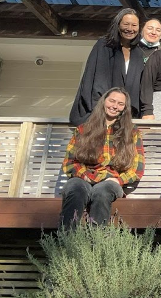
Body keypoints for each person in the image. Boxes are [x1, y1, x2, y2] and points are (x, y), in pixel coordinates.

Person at [60, 88, 145, 229]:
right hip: (83, 179)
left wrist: (118, 180)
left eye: (120, 104)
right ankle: (67, 240)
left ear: (124, 108)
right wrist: (85, 176)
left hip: (111, 182)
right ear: (104, 101)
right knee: (74, 188)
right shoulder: (83, 130)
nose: (115, 106)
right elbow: (69, 163)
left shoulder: (132, 133)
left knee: (102, 191)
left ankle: (97, 242)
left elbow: (137, 169)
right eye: (111, 101)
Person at [69, 8, 146, 125]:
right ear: (118, 25)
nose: (130, 29)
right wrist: (102, 109)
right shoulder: (104, 45)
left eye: (134, 25)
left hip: (126, 115)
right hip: (101, 113)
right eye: (126, 24)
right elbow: (95, 79)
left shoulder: (138, 52)